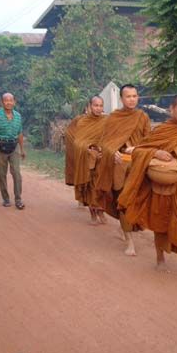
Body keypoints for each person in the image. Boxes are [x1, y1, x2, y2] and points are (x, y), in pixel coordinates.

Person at [118, 95, 177, 285]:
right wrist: (156, 153)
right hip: (163, 186)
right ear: (172, 110)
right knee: (161, 221)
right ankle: (160, 258)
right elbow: (139, 150)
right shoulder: (162, 131)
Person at [95, 84, 151, 255]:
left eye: (134, 96)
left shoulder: (142, 117)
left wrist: (137, 149)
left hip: (138, 166)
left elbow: (149, 141)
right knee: (123, 201)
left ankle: (125, 227)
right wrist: (112, 152)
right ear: (121, 99)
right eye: (128, 96)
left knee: (137, 202)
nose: (132, 99)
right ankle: (130, 242)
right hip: (119, 166)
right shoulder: (114, 118)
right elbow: (104, 143)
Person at [70, 96, 107, 224]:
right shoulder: (83, 122)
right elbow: (77, 142)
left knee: (102, 187)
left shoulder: (106, 121)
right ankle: (93, 215)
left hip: (102, 159)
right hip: (88, 160)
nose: (98, 108)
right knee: (91, 187)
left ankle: (101, 211)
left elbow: (109, 139)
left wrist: (103, 149)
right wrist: (88, 149)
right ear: (90, 106)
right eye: (96, 105)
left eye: (101, 105)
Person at [0, 92, 26, 209]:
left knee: (17, 174)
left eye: (10, 100)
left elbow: (20, 133)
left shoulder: (18, 116)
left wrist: (22, 149)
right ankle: (6, 199)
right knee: (2, 174)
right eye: (6, 100)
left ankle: (18, 199)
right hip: (0, 147)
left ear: (14, 102)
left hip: (14, 147)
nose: (8, 102)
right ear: (2, 102)